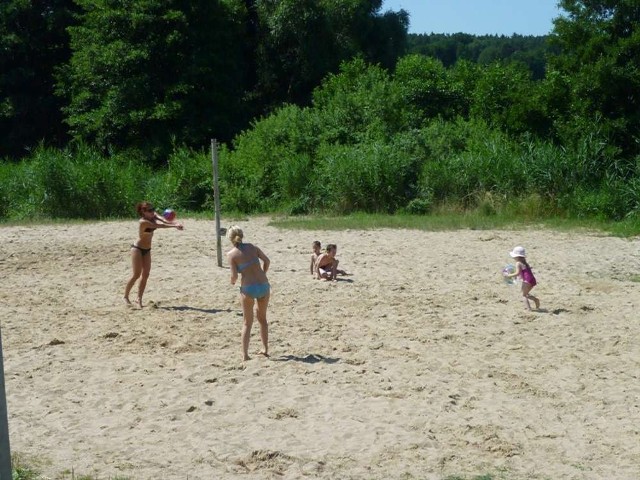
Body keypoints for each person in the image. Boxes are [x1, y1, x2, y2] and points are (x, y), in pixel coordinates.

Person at [123, 201, 184, 308]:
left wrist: (174, 223)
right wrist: (174, 225)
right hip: (137, 249)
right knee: (136, 274)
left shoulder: (153, 215)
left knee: (146, 274)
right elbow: (160, 225)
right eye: (150, 210)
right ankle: (126, 296)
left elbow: (163, 220)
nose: (153, 212)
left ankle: (139, 299)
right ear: (143, 212)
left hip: (147, 249)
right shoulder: (143, 222)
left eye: (153, 209)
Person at [227, 225, 271, 361]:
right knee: (263, 320)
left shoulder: (231, 254)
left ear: (230, 238)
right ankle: (264, 349)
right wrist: (263, 273)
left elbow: (234, 276)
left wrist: (232, 282)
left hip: (248, 288)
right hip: (263, 285)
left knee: (247, 322)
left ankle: (245, 355)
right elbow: (267, 261)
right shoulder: (253, 247)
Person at [506, 246, 540, 311]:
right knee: (526, 293)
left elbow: (517, 273)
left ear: (517, 256)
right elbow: (525, 272)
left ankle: (528, 309)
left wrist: (509, 275)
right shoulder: (525, 262)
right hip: (532, 280)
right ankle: (535, 300)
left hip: (527, 281)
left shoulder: (518, 263)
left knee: (524, 295)